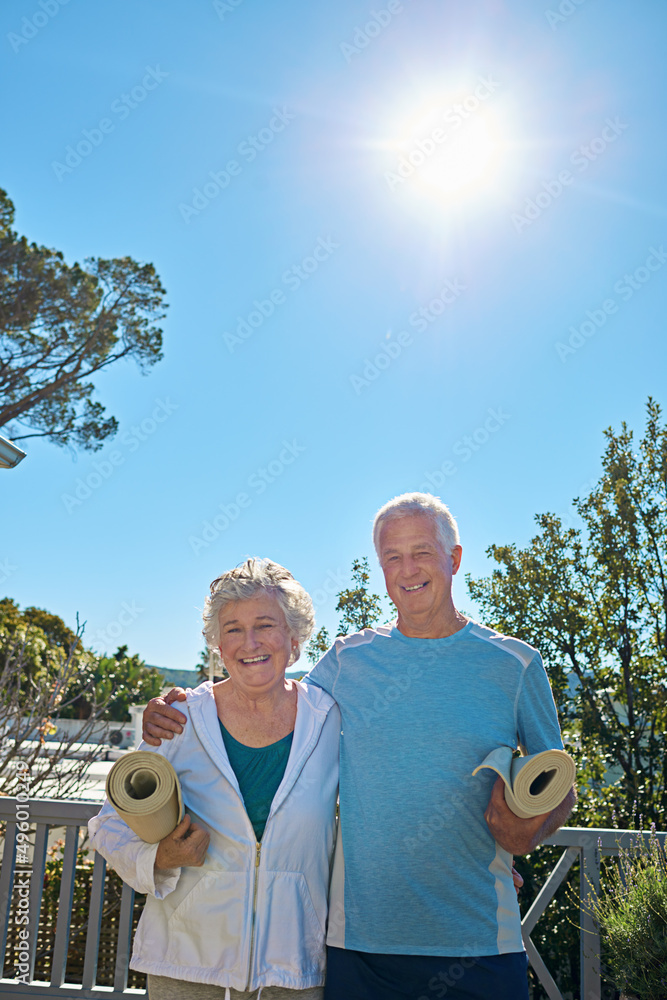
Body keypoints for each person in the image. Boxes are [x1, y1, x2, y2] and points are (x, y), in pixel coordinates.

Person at [145, 493, 573, 1000]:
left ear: (454, 559)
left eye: (421, 552)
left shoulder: (515, 665)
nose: (406, 569)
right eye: (392, 556)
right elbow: (268, 692)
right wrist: (177, 703)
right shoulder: (349, 660)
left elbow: (555, 789)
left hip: (480, 939)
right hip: (358, 947)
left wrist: (526, 833)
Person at [89, 559, 340, 1000]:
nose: (250, 642)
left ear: (294, 638)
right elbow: (108, 825)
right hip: (184, 965)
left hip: (294, 970)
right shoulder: (178, 720)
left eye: (266, 625)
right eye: (233, 629)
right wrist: (160, 858)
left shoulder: (330, 720)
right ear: (217, 646)